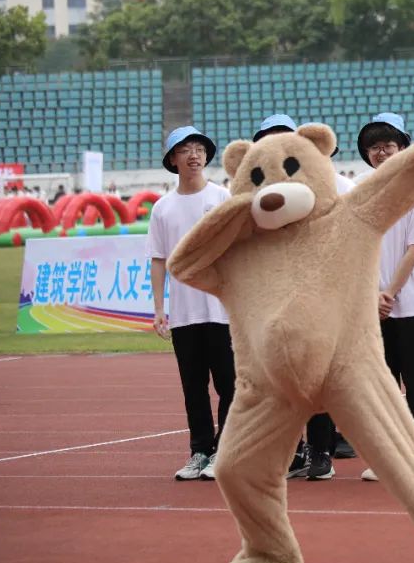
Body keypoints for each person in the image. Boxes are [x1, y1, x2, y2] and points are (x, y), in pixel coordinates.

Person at [253, 113, 354, 480]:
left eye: (283, 137)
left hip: (324, 295)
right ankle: (294, 451)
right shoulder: (257, 192)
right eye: (268, 139)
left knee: (318, 376)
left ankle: (322, 451)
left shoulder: (335, 185)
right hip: (278, 298)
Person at [149, 126, 235, 480]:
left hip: (222, 311)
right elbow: (158, 259)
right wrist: (158, 309)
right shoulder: (163, 208)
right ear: (173, 159)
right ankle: (200, 450)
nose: (194, 155)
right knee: (194, 388)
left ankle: (226, 452)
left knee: (230, 385)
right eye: (185, 150)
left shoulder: (222, 198)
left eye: (199, 148)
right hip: (184, 315)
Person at [357, 113, 414, 482]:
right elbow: (354, 247)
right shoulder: (358, 192)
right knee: (383, 389)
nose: (382, 153)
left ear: (402, 149)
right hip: (369, 308)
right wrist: (371, 294)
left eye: (388, 146)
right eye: (374, 147)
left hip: (409, 307)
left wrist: (388, 292)